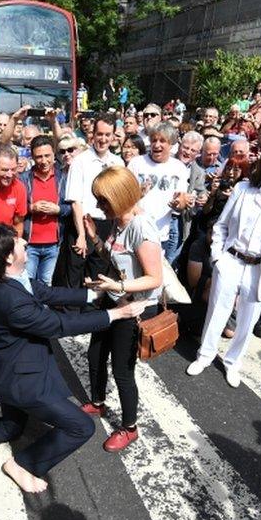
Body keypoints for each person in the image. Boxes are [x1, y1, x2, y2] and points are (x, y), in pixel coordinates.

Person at [0, 225, 146, 492]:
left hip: (7, 374)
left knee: (11, 428)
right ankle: (22, 464)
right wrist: (116, 315)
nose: (24, 241)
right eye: (18, 241)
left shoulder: (9, 278)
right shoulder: (11, 299)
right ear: (9, 257)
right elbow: (57, 324)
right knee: (80, 426)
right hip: (23, 382)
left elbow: (47, 293)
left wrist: (96, 293)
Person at [186, 141, 261, 387]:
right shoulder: (244, 188)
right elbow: (221, 225)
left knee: (248, 319)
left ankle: (233, 362)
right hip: (231, 259)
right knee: (216, 311)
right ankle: (205, 355)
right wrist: (218, 258)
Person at [80, 166, 163, 451]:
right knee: (95, 355)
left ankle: (129, 428)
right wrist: (95, 239)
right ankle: (98, 402)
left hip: (134, 309)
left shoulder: (142, 227)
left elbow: (155, 278)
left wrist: (118, 288)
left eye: (103, 200)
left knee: (122, 371)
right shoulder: (119, 221)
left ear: (119, 196)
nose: (98, 206)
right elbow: (118, 261)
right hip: (115, 300)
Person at [62, 115, 124, 287]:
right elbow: (75, 201)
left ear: (113, 136)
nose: (103, 139)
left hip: (107, 225)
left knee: (99, 275)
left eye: (107, 135)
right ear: (92, 134)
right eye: (99, 134)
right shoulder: (80, 162)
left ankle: (93, 312)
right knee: (75, 274)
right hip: (82, 223)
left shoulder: (118, 162)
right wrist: (81, 235)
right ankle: (72, 313)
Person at [126, 122, 190, 263]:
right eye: (154, 140)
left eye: (162, 141)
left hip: (161, 234)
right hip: (134, 231)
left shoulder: (179, 168)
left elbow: (181, 202)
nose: (157, 145)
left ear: (171, 144)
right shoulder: (136, 163)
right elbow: (125, 197)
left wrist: (179, 204)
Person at [21, 136, 70, 286]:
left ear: (54, 154)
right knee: (27, 282)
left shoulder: (63, 178)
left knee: (45, 282)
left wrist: (58, 209)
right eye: (39, 157)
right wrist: (31, 208)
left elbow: (72, 207)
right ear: (32, 157)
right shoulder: (23, 179)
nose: (43, 161)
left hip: (54, 243)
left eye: (47, 156)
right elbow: (15, 207)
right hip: (29, 243)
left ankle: (43, 310)